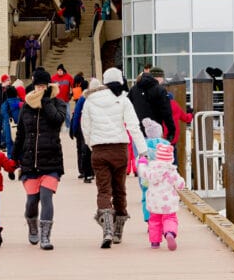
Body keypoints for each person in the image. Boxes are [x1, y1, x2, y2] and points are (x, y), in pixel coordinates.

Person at [81, 67, 148, 248]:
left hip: (99, 150)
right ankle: (118, 231)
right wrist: (143, 150)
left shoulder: (90, 100)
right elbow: (134, 126)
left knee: (104, 190)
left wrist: (91, 144)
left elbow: (85, 127)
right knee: (119, 189)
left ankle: (107, 229)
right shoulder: (123, 99)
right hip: (119, 150)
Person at [12, 69, 67, 251]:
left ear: (49, 86)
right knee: (32, 202)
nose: (40, 89)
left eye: (43, 86)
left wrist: (46, 102)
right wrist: (13, 158)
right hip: (30, 163)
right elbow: (20, 134)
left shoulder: (58, 103)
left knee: (46, 196)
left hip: (51, 161)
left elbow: (58, 120)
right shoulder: (26, 107)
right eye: (37, 86)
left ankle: (45, 235)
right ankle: (33, 225)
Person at [137, 142, 186, 251]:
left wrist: (142, 163)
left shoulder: (152, 170)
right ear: (171, 159)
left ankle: (155, 242)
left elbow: (142, 172)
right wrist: (181, 181)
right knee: (170, 219)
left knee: (154, 221)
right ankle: (169, 233)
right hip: (168, 203)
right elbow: (180, 185)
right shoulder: (172, 172)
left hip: (154, 202)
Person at [129, 66, 176, 143]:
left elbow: (128, 108)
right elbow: (167, 112)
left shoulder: (133, 89)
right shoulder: (160, 90)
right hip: (155, 131)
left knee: (139, 154)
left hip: (137, 131)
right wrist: (171, 131)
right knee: (154, 153)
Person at [138, 118, 169, 222]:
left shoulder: (143, 146)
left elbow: (140, 162)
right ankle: (161, 215)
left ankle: (148, 217)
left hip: (147, 177)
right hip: (162, 177)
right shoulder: (165, 144)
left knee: (146, 196)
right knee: (162, 196)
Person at [69, 78, 95, 183]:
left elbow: (76, 114)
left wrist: (74, 129)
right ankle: (92, 171)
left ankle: (83, 171)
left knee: (81, 149)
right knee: (91, 149)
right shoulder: (97, 98)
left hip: (81, 126)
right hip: (93, 125)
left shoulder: (83, 98)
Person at [165, 92, 193, 165]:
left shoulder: (162, 105)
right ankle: (175, 168)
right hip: (174, 135)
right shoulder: (176, 106)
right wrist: (190, 114)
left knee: (164, 155)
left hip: (164, 134)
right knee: (173, 152)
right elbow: (186, 118)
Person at [0, 86, 22, 162]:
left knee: (9, 143)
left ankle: (11, 159)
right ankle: (20, 159)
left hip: (8, 127)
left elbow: (3, 113)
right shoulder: (20, 103)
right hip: (20, 126)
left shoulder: (4, 105)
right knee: (20, 142)